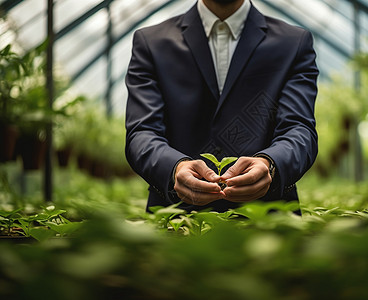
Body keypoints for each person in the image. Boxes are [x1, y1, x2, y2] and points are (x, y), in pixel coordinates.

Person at [125, 0, 319, 213]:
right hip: (176, 218)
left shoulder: (293, 43)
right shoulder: (151, 42)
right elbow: (142, 132)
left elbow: (300, 128)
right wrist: (174, 167)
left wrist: (270, 164)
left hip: (269, 221)